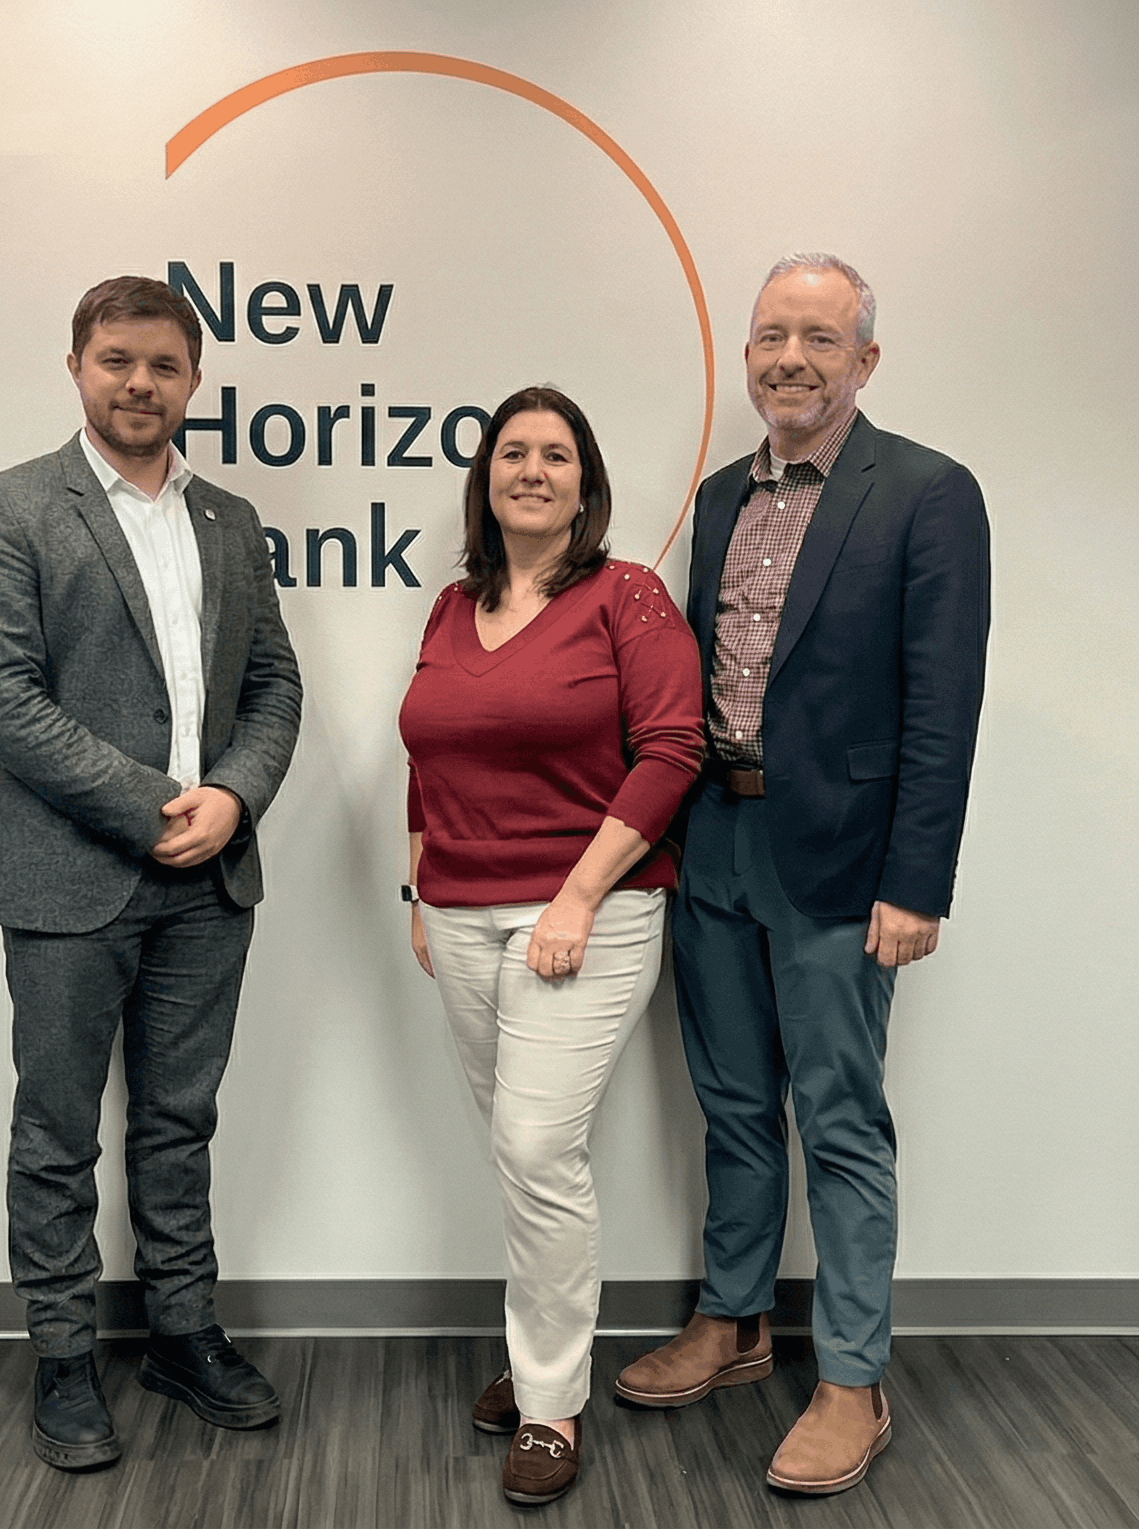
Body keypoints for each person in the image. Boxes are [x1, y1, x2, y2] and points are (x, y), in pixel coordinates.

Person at [613, 254, 991, 1497]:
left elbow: (942, 706)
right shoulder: (720, 495)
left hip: (839, 862)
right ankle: (732, 1319)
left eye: (819, 339)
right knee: (730, 1103)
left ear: (863, 359)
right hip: (714, 841)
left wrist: (916, 881)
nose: (790, 358)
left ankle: (850, 1375)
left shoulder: (927, 494)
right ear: (746, 354)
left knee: (837, 1116)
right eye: (771, 335)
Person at [0, 275, 302, 1471]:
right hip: (66, 875)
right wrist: (153, 806)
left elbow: (273, 684)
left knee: (178, 1119)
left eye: (162, 364)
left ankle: (180, 1330)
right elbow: (0, 697)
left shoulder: (230, 521)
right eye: (116, 360)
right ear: (76, 367)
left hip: (209, 879)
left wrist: (233, 795)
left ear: (194, 378)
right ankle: (62, 1352)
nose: (139, 383)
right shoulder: (8, 508)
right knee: (56, 1127)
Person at [400, 386, 704, 1507]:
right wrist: (418, 887)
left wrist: (576, 896)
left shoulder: (626, 597)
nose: (531, 469)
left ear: (586, 485)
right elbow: (426, 753)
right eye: (512, 452)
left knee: (536, 1147)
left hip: (589, 913)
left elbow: (672, 751)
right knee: (513, 1151)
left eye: (556, 455)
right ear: (484, 479)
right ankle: (542, 1358)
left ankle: (550, 1405)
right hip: (459, 913)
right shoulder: (451, 605)